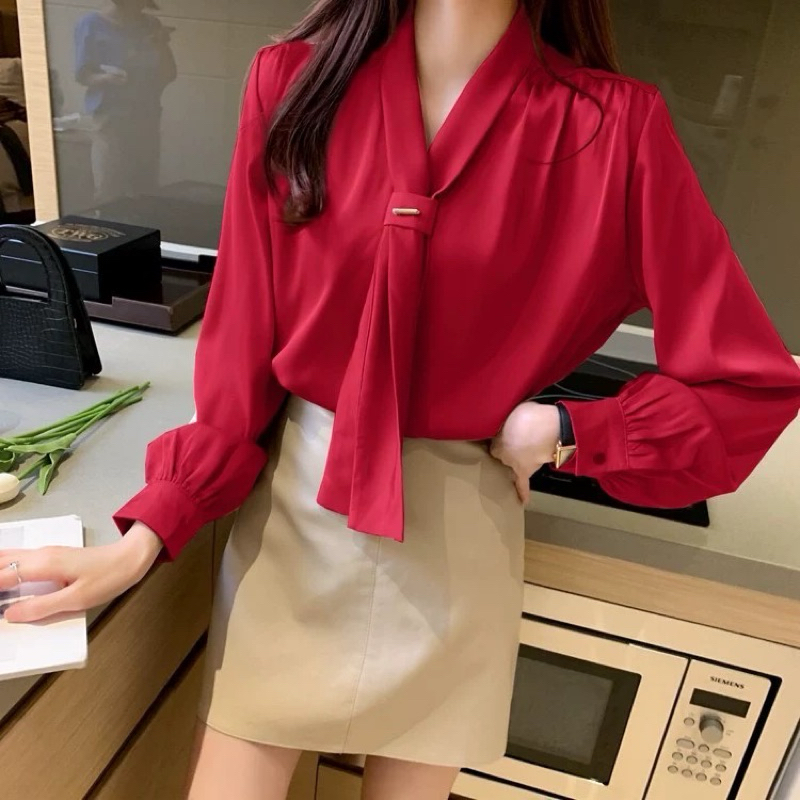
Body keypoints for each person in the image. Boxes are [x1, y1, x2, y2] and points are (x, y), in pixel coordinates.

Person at [3, 1, 800, 798]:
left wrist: (564, 428)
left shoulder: (612, 127)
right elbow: (241, 349)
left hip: (460, 531)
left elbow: (748, 384)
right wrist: (144, 535)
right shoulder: (291, 84)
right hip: (296, 512)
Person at [74, 0, 176, 204]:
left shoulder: (151, 25)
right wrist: (107, 78)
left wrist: (161, 45)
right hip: (110, 118)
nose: (140, 9)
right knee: (109, 187)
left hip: (147, 117)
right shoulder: (91, 24)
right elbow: (83, 75)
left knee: (146, 189)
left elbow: (169, 74)